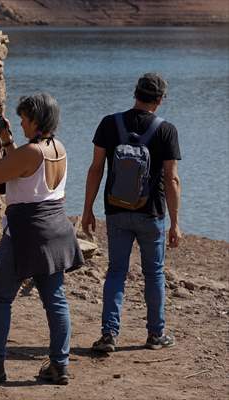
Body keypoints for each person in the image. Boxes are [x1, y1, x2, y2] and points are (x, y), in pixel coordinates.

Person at [0, 93, 84, 385]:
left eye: (25, 119)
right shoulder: (58, 147)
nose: (21, 123)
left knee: (0, 297)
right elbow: (24, 171)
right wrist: (7, 141)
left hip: (25, 233)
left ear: (37, 120)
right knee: (55, 301)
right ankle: (59, 365)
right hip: (55, 230)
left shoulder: (32, 152)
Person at [82, 72, 182, 353]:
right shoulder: (166, 130)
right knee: (154, 273)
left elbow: (95, 169)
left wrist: (87, 209)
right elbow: (172, 179)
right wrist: (175, 223)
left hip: (115, 210)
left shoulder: (109, 123)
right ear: (160, 100)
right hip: (152, 214)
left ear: (135, 93)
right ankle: (155, 334)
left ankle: (109, 335)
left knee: (116, 272)